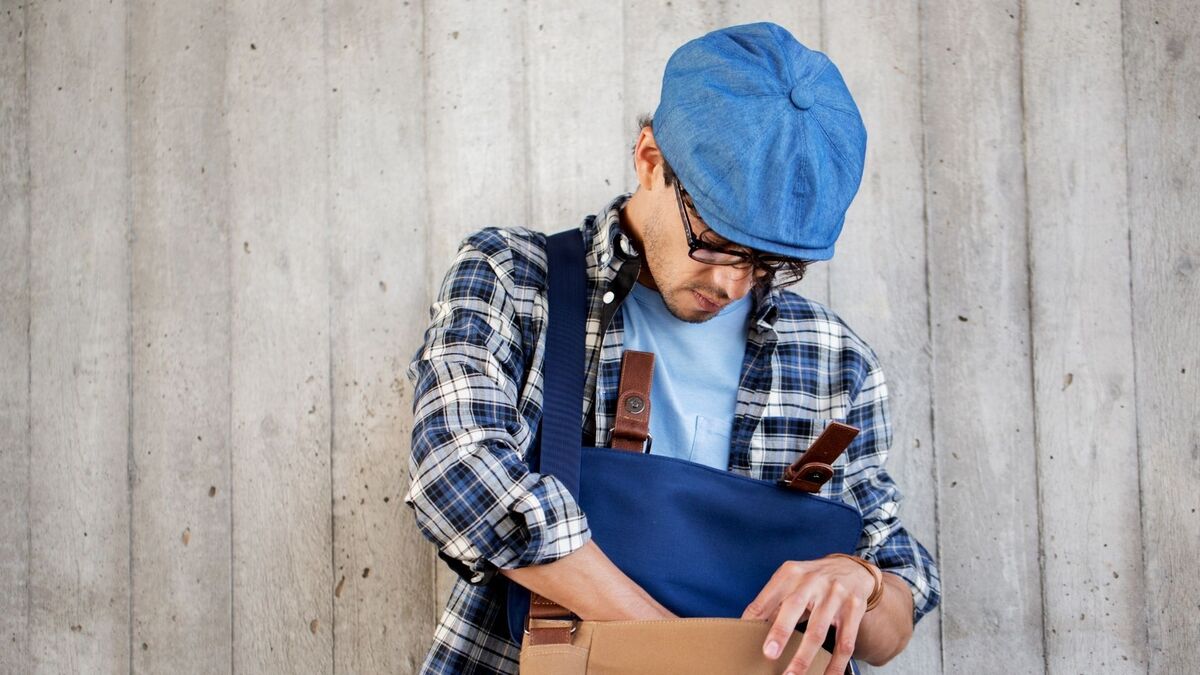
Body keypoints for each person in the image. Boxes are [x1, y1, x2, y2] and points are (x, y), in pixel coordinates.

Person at [404, 21, 940, 675]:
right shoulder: (516, 282)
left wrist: (864, 582)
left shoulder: (834, 358)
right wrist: (677, 654)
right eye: (715, 242)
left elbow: (893, 606)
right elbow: (457, 475)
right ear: (650, 159)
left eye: (770, 261)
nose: (731, 282)